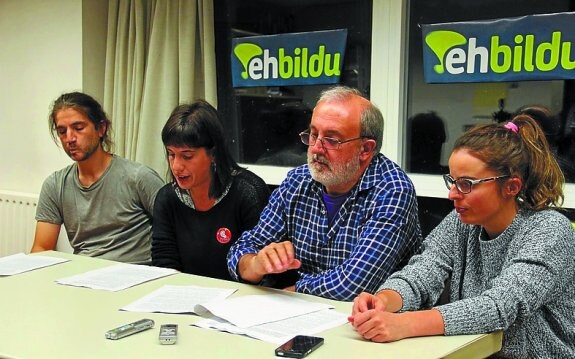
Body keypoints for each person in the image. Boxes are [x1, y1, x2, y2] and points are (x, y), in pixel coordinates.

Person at [349, 115, 575, 358]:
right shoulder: (461, 223)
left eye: (467, 184)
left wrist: (405, 324)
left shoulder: (550, 230)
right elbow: (421, 272)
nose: (453, 195)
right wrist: (384, 300)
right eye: (453, 181)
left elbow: (500, 306)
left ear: (511, 187)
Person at [227, 86, 423, 301]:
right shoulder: (298, 181)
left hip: (370, 322)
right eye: (313, 135)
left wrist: (293, 291)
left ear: (365, 150)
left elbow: (354, 284)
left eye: (332, 140)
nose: (316, 149)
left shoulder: (392, 190)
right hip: (301, 312)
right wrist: (256, 264)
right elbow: (244, 247)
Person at [31, 92, 164, 264]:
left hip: (136, 274)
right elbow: (41, 248)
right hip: (83, 275)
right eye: (62, 131)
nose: (69, 139)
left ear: (101, 129)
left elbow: (175, 234)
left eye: (78, 128)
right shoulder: (55, 185)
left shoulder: (139, 177)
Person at [151, 100, 270, 281]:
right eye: (171, 154)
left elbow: (266, 269)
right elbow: (164, 264)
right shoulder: (167, 198)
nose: (176, 166)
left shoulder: (248, 192)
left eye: (187, 156)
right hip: (186, 296)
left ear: (213, 154)